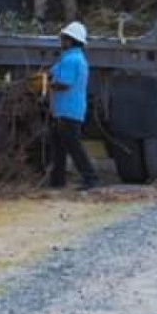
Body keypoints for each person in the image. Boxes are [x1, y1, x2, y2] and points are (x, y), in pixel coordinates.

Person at [46, 21, 99, 191]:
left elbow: (64, 83)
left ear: (70, 40)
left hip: (67, 110)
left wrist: (48, 86)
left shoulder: (71, 60)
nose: (61, 41)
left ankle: (90, 177)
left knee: (73, 146)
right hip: (67, 110)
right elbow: (51, 72)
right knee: (59, 146)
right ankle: (57, 180)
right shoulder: (73, 58)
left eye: (63, 38)